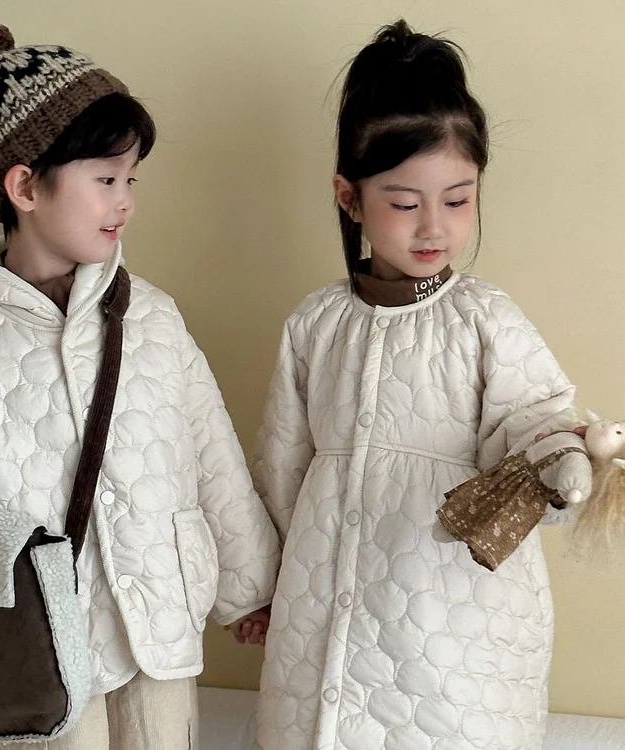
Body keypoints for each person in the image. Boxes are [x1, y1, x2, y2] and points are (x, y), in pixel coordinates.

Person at [0, 18, 279, 750]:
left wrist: (250, 587)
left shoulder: (150, 316)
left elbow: (209, 453)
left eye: (131, 180)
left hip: (158, 620)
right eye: (105, 180)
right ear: (25, 186)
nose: (125, 201)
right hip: (45, 647)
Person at [249, 19, 591, 750]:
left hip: (456, 619)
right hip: (325, 611)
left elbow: (531, 419)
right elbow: (281, 466)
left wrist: (560, 452)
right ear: (350, 197)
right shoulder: (315, 324)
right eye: (405, 203)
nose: (433, 226)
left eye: (458, 200)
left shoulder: (484, 318)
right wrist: (262, 583)